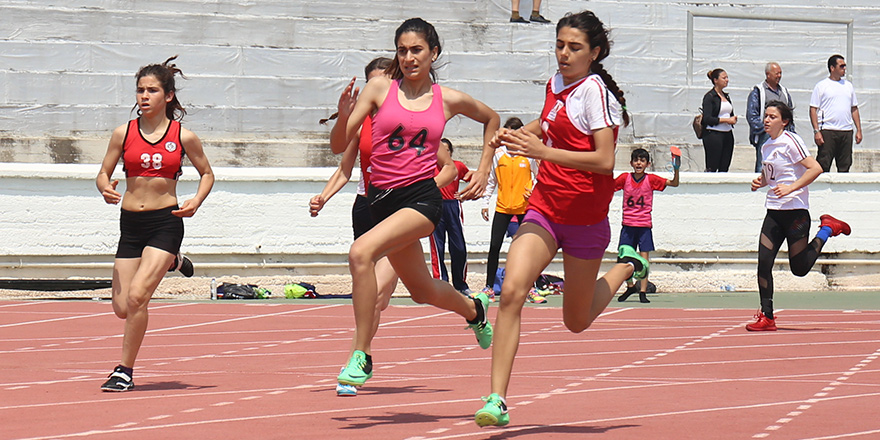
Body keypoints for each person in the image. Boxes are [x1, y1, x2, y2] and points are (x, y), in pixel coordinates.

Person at [474, 11, 650, 427]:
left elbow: (604, 161)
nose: (564, 54)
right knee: (511, 291)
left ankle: (627, 266)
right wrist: (519, 134)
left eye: (574, 47)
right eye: (559, 45)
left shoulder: (595, 94)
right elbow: (548, 123)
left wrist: (543, 152)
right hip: (545, 208)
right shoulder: (556, 83)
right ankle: (497, 399)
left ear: (595, 53)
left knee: (576, 321)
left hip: (586, 219)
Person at [328, 17, 501, 390]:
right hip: (381, 202)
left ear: (433, 53)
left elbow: (492, 118)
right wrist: (343, 116)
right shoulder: (379, 89)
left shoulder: (447, 99)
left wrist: (485, 168)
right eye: (402, 51)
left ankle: (361, 354)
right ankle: (474, 310)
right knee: (422, 291)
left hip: (422, 200)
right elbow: (338, 145)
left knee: (360, 253)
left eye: (417, 50)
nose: (408, 57)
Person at [96, 56, 214, 391]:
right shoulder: (123, 133)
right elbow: (103, 172)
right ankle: (174, 262)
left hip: (166, 222)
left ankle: (124, 371)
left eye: (152, 90)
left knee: (137, 298)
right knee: (121, 308)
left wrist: (196, 201)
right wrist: (104, 186)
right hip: (131, 225)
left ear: (169, 95)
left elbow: (207, 173)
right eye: (140, 90)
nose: (144, 96)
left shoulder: (183, 136)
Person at [311, 57, 398, 397]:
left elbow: (443, 166)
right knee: (372, 298)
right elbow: (345, 169)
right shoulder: (361, 124)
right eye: (372, 83)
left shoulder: (411, 120)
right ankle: (359, 360)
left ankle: (356, 358)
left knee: (378, 297)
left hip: (399, 211)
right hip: (366, 209)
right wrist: (323, 197)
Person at [748, 101, 851, 331]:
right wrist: (761, 182)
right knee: (764, 263)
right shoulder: (766, 145)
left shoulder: (791, 141)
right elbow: (770, 175)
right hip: (774, 212)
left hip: (795, 213)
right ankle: (767, 316)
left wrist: (791, 188)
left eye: (772, 117)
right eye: (766, 116)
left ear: (784, 121)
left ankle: (827, 229)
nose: (767, 120)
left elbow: (816, 168)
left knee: (800, 268)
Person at [479, 117, 539, 302]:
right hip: (503, 207)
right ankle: (489, 287)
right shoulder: (498, 154)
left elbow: (539, 176)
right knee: (494, 246)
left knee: (528, 249)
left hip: (523, 208)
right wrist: (485, 203)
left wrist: (532, 190)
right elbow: (491, 180)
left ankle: (531, 288)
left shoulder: (528, 154)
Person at [615, 148, 679, 304]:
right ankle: (630, 287)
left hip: (644, 226)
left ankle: (642, 291)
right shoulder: (625, 178)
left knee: (644, 261)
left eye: (642, 161)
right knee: (623, 259)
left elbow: (674, 183)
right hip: (628, 225)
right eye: (636, 160)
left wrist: (676, 169)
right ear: (631, 163)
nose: (639, 163)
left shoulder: (651, 180)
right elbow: (608, 186)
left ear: (648, 164)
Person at [428, 138, 473, 294]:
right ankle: (441, 283)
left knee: (459, 246)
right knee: (437, 247)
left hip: (453, 207)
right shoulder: (430, 166)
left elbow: (473, 177)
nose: (444, 153)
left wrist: (466, 194)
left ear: (451, 152)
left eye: (447, 150)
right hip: (435, 206)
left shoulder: (457, 166)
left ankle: (460, 284)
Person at [809, 54, 862, 173]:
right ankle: (821, 185)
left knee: (845, 164)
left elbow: (854, 108)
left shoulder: (848, 86)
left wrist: (859, 129)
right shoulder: (821, 86)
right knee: (823, 163)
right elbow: (813, 109)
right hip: (828, 130)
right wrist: (816, 131)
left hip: (846, 131)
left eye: (845, 66)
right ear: (832, 68)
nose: (844, 68)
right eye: (841, 66)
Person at [747, 62, 794, 173]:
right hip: (766, 135)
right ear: (768, 74)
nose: (779, 76)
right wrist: (767, 129)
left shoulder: (784, 92)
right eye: (777, 73)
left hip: (783, 134)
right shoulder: (758, 91)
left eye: (780, 73)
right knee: (763, 164)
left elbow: (790, 113)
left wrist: (791, 131)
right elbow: (752, 115)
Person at [700, 68, 737, 172]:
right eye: (724, 78)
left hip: (727, 134)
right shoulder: (710, 97)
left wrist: (732, 119)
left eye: (727, 78)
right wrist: (726, 120)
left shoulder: (726, 96)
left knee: (724, 166)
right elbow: (707, 118)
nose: (727, 80)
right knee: (712, 166)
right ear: (715, 80)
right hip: (714, 135)